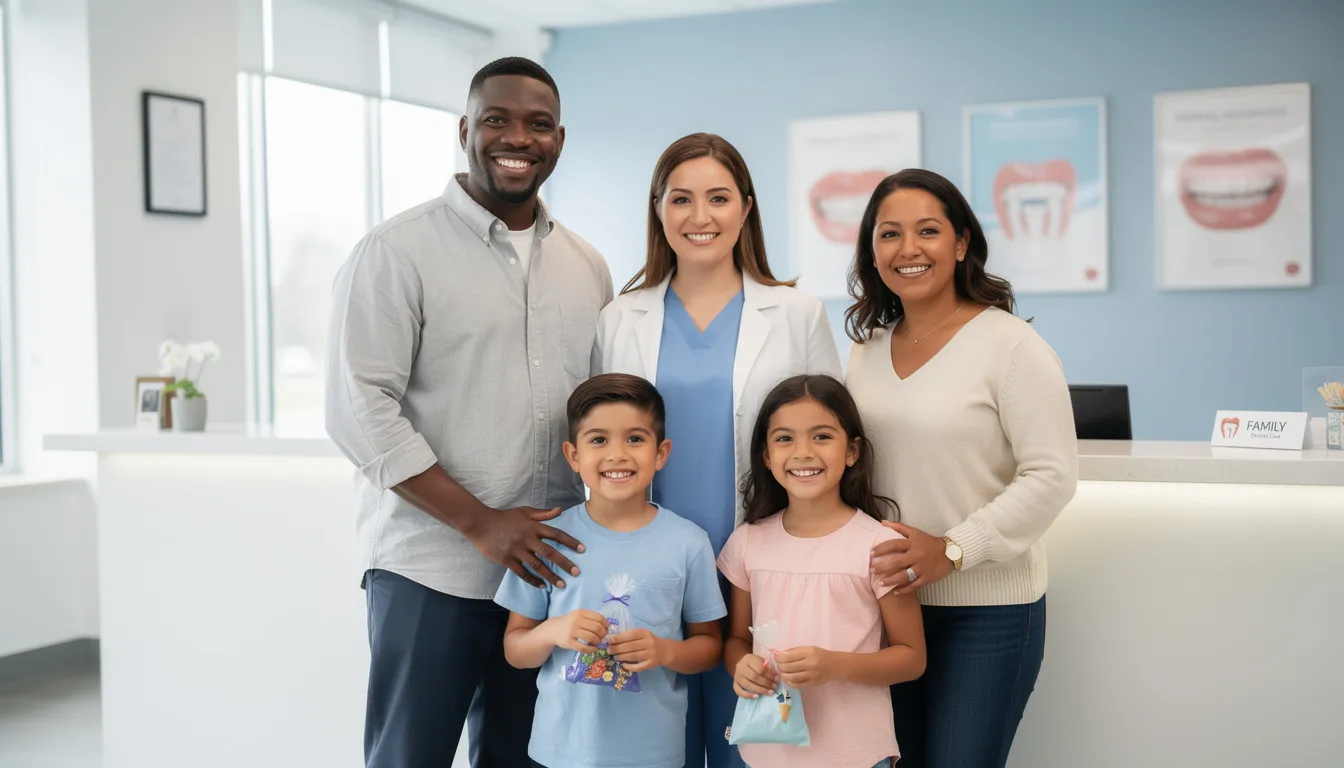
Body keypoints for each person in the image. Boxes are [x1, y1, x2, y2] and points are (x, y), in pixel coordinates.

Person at [324, 57, 613, 768]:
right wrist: (480, 523)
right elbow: (359, 410)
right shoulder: (395, 253)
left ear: (559, 140)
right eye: (497, 119)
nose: (517, 137)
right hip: (431, 571)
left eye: (537, 124)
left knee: (524, 760)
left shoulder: (588, 266)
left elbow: (601, 417)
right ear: (464, 130)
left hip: (548, 576)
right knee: (408, 757)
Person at [597, 132, 842, 767]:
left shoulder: (796, 314)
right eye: (681, 199)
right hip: (650, 575)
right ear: (658, 210)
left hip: (758, 579)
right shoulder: (621, 317)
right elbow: (602, 450)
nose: (699, 217)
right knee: (654, 750)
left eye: (718, 198)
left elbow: (828, 445)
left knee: (753, 751)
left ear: (747, 207)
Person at [842, 169, 1079, 768]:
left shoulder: (1011, 347)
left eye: (928, 231)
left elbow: (1052, 475)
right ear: (872, 250)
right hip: (886, 609)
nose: (909, 249)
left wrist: (951, 549)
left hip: (988, 615)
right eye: (889, 234)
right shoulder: (865, 350)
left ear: (962, 242)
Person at [494, 373, 728, 768]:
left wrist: (666, 650)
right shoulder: (548, 540)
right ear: (573, 455)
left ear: (661, 452)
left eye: (635, 439)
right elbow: (515, 650)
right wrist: (554, 630)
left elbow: (709, 648)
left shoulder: (689, 542)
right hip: (560, 752)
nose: (617, 454)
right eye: (598, 440)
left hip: (655, 754)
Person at [718, 374, 926, 768]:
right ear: (765, 455)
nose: (803, 452)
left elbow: (911, 658)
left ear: (852, 451)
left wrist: (833, 665)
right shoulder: (748, 542)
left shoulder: (878, 546)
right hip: (766, 753)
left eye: (822, 437)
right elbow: (735, 642)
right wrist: (741, 666)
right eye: (784, 439)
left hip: (857, 754)